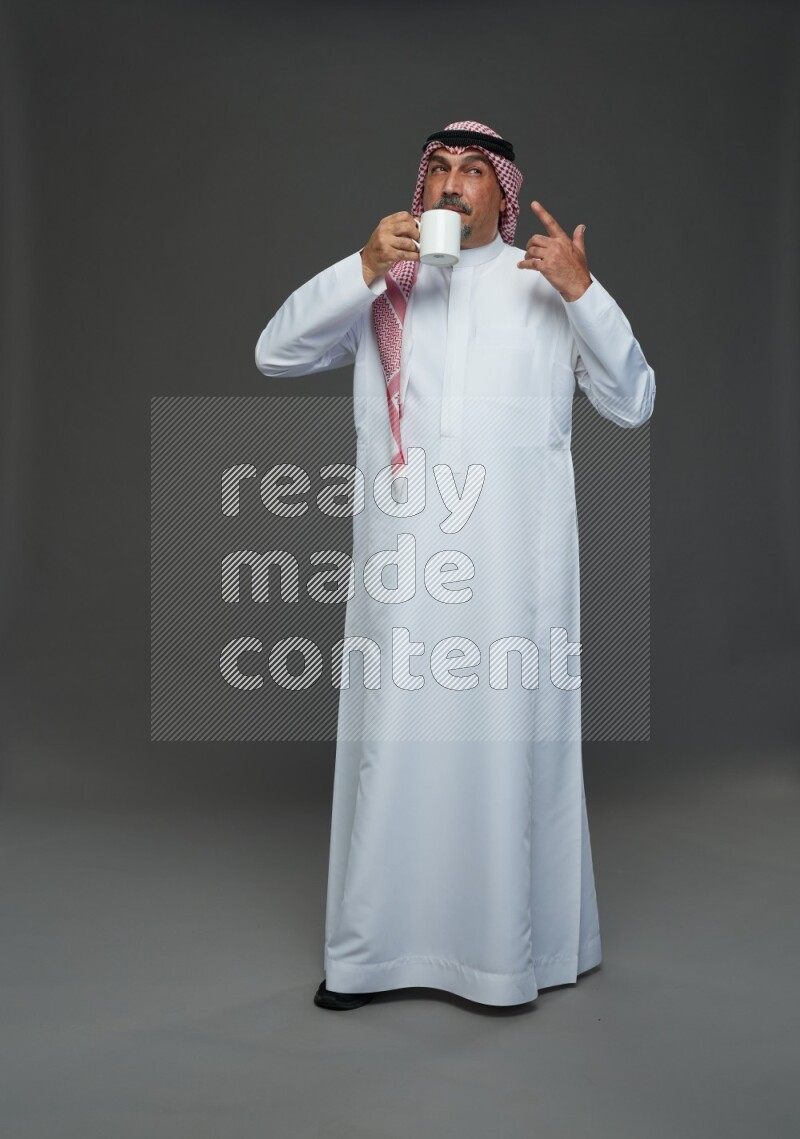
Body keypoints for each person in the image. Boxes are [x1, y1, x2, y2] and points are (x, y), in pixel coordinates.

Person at [255, 120, 656, 1011]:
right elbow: (275, 353)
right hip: (405, 573)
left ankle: (506, 957)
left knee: (507, 751)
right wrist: (361, 267)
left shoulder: (542, 284)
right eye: (438, 167)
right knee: (393, 747)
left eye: (474, 170)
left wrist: (586, 292)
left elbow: (632, 403)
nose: (452, 183)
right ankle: (372, 956)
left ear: (499, 192)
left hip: (515, 576)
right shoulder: (387, 287)